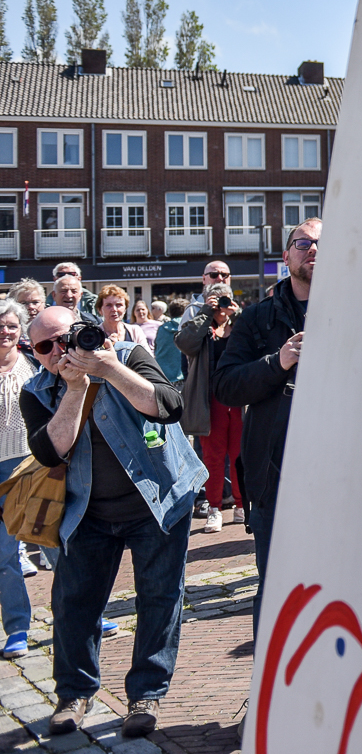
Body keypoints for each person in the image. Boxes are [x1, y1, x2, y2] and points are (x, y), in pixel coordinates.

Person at [21, 306, 205, 739]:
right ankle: (74, 693)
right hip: (87, 511)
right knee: (74, 604)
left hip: (157, 499)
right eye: (44, 347)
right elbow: (50, 452)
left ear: (85, 331)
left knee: (159, 598)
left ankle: (146, 694)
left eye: (65, 338)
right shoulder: (37, 390)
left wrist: (109, 368)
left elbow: (167, 406)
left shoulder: (129, 355)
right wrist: (75, 389)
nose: (57, 352)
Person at [213, 218, 320, 633]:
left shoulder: (359, 311)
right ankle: (271, 691)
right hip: (276, 474)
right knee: (277, 586)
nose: (313, 250)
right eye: (303, 242)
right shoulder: (257, 319)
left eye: (323, 243)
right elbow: (225, 386)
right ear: (286, 256)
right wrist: (278, 363)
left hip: (345, 471)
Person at [175, 283, 242, 534]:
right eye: (215, 299)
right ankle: (214, 508)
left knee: (239, 455)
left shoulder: (238, 326)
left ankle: (240, 503)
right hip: (209, 399)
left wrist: (237, 316)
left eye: (224, 299)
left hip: (237, 398)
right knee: (212, 458)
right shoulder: (202, 326)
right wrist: (205, 312)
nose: (220, 304)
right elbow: (185, 344)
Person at [0, 300, 38, 660]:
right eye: (0, 326)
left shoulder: (33, 364)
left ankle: (85, 614)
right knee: (4, 553)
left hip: (30, 466)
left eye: (11, 325)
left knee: (56, 543)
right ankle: (17, 628)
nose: (5, 332)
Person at [9, 281, 47, 363]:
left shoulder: (53, 330)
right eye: (24, 303)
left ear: (44, 303)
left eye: (35, 302)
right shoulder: (7, 333)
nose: (30, 307)